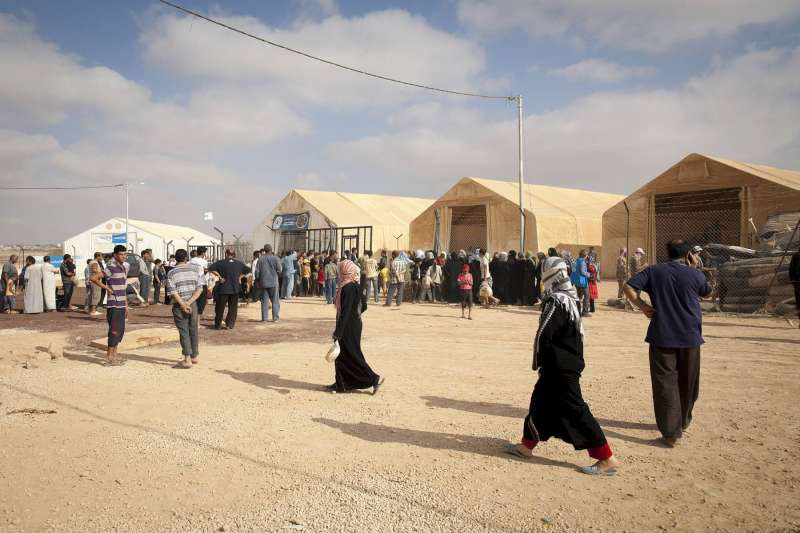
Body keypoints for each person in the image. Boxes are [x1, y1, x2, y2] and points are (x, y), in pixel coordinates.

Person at [506, 256, 620, 475]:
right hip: (563, 364)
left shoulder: (556, 301)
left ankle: (606, 457)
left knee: (575, 409)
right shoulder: (570, 299)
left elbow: (544, 334)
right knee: (540, 402)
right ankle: (526, 446)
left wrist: (536, 360)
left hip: (560, 366)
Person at [624, 240, 712, 448]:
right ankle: (683, 421)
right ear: (688, 254)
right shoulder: (695, 273)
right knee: (688, 380)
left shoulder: (654, 271)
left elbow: (628, 287)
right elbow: (707, 293)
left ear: (668, 253)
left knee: (665, 382)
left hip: (662, 334)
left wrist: (643, 306)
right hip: (690, 336)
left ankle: (671, 432)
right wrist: (696, 268)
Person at [328, 259, 383, 394]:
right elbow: (363, 306)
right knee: (342, 356)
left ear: (344, 271)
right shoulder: (355, 285)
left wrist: (338, 332)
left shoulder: (347, 287)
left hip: (348, 326)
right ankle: (341, 383)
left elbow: (345, 312)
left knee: (352, 355)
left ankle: (373, 378)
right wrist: (355, 315)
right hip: (353, 324)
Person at [90, 245, 129, 366]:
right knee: (114, 331)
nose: (124, 256)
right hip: (114, 304)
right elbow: (94, 278)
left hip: (122, 304)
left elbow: (123, 288)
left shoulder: (123, 268)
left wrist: (126, 305)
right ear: (116, 255)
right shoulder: (110, 268)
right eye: (122, 254)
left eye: (125, 254)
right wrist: (107, 288)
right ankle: (109, 357)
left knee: (120, 331)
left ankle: (114, 356)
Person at [167, 249, 204, 368]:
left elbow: (173, 291)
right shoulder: (196, 270)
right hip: (192, 304)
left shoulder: (171, 273)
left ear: (175, 259)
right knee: (193, 329)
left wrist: (183, 304)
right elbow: (200, 289)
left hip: (179, 305)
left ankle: (187, 358)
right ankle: (194, 356)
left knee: (184, 331)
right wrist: (189, 302)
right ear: (186, 258)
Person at [209, 249, 251, 330]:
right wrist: (240, 277)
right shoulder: (239, 263)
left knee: (220, 308)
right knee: (233, 308)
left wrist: (220, 277)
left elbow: (211, 269)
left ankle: (218, 325)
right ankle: (229, 325)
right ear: (234, 254)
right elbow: (248, 271)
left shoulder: (220, 262)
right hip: (235, 288)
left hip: (223, 288)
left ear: (226, 254)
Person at [254, 244, 282, 322]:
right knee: (275, 301)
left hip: (263, 283)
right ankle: (275, 318)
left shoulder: (260, 259)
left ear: (264, 250)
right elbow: (280, 270)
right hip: (273, 282)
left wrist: (258, 279)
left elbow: (257, 272)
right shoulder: (276, 258)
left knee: (264, 301)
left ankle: (264, 318)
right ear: (271, 250)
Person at [189, 246, 209, 316]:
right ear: (203, 253)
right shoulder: (204, 261)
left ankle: (191, 319)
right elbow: (205, 271)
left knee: (193, 301)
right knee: (201, 303)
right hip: (201, 283)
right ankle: (197, 323)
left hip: (192, 283)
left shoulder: (191, 260)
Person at [573, 250, 591, 317]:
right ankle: (585, 311)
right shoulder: (582, 262)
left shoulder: (576, 260)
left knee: (579, 296)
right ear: (585, 255)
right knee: (587, 295)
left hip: (577, 281)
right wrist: (589, 275)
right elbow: (583, 272)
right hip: (582, 281)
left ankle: (577, 310)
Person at [790, 249, 800, 328]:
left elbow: (791, 269)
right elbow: (792, 269)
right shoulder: (796, 256)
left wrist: (793, 281)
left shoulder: (796, 255)